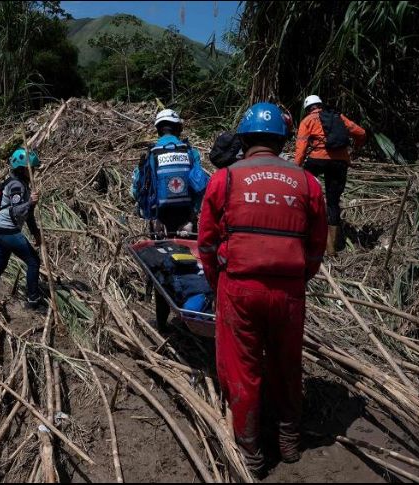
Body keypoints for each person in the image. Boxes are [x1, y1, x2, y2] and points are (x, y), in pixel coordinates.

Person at [198, 103, 328, 476]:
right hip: (288, 291)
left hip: (239, 287)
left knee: (242, 367)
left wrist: (216, 281)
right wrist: (299, 279)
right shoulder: (307, 182)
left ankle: (251, 450)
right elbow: (317, 245)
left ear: (245, 139)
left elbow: (206, 243)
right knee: (287, 363)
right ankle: (288, 440)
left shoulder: (225, 179)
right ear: (282, 140)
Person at [294, 95, 366, 255]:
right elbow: (360, 133)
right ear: (321, 104)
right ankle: (331, 248)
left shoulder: (307, 121)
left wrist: (296, 170)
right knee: (333, 202)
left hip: (317, 160)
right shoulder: (338, 116)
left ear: (308, 109)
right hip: (340, 162)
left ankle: (303, 230)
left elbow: (301, 148)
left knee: (302, 192)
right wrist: (356, 150)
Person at [132, 109, 210, 237]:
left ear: (158, 130)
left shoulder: (151, 154)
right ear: (179, 128)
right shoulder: (190, 152)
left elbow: (137, 189)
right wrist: (191, 216)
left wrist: (152, 217)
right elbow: (200, 186)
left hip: (159, 221)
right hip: (186, 219)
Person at [0, 148, 43, 309]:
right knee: (33, 261)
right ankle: (32, 299)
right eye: (31, 169)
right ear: (23, 169)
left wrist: (35, 232)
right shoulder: (16, 185)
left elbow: (28, 214)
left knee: (0, 262)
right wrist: (30, 202)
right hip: (6, 230)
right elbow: (17, 210)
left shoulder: (21, 183)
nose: (34, 171)